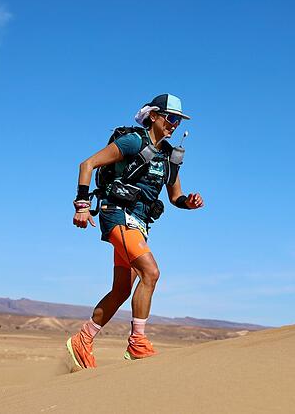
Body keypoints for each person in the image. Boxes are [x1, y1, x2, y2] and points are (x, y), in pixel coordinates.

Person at [67, 93, 204, 370]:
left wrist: (188, 203)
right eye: (171, 118)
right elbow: (87, 165)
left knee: (120, 290)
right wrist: (82, 205)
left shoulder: (169, 158)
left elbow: (175, 196)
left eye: (178, 120)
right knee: (151, 272)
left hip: (140, 225)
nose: (174, 124)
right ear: (153, 116)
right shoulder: (133, 141)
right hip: (116, 214)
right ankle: (137, 343)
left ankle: (83, 340)